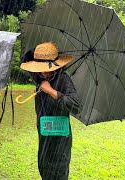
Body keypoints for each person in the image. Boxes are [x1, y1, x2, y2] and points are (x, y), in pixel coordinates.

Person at [20, 42, 81, 180]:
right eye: (39, 67)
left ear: (55, 65)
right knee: (44, 168)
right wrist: (40, 52)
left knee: (58, 172)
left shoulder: (64, 79)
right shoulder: (39, 77)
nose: (43, 71)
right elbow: (25, 58)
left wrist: (52, 92)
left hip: (59, 137)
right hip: (44, 133)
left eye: (45, 68)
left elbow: (76, 105)